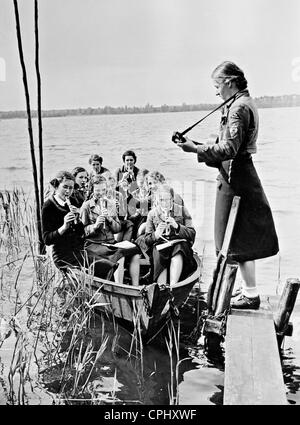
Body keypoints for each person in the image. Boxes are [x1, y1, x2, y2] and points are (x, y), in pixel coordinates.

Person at [173, 61, 279, 309]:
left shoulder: (238, 108)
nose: (216, 92)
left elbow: (229, 149)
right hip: (238, 175)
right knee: (240, 239)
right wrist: (195, 145)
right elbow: (230, 149)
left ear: (230, 82)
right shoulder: (242, 103)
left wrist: (195, 149)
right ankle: (248, 291)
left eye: (217, 85)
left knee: (234, 239)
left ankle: (250, 295)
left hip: (236, 179)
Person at [41, 171, 117, 279]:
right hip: (63, 255)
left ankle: (108, 292)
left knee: (109, 266)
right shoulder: (48, 206)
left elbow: (81, 232)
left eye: (71, 188)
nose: (68, 191)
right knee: (105, 266)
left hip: (79, 250)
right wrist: (64, 227)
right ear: (57, 186)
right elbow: (47, 239)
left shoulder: (73, 200)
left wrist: (78, 218)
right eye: (65, 187)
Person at [80, 176, 141, 285]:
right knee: (119, 254)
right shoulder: (86, 206)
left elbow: (117, 228)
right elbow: (82, 231)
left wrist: (109, 219)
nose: (101, 193)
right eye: (97, 190)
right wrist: (95, 225)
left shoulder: (111, 203)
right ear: (92, 190)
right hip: (94, 244)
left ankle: (136, 287)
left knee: (135, 250)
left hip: (110, 243)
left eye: (103, 190)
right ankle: (119, 286)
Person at [139, 184, 196, 286]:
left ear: (172, 199)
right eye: (161, 200)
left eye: (167, 200)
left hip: (178, 244)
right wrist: (156, 235)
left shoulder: (181, 210)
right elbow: (147, 240)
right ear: (157, 200)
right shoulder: (153, 214)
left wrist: (177, 226)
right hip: (161, 245)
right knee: (159, 253)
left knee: (178, 249)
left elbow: (192, 234)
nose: (164, 203)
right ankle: (162, 287)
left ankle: (174, 286)